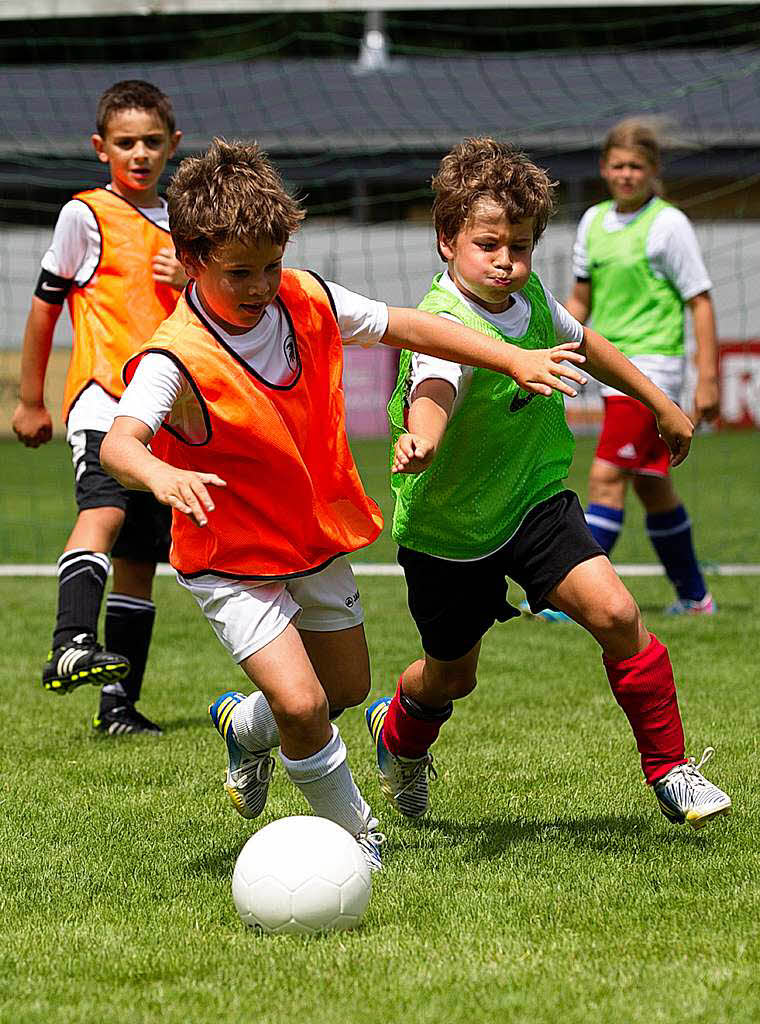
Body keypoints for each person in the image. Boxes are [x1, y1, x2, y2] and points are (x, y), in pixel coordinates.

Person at [99, 137, 586, 870]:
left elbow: (409, 324)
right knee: (302, 704)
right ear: (192, 259)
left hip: (310, 536)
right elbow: (121, 443)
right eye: (240, 273)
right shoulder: (176, 354)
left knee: (344, 690)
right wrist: (160, 477)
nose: (262, 284)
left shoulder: (306, 295)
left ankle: (244, 727)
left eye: (271, 264)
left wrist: (510, 355)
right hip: (230, 557)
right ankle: (359, 840)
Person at [366, 137, 731, 831]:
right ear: (448, 240)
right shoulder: (441, 323)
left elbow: (585, 343)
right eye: (489, 244)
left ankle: (671, 769)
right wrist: (425, 439)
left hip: (533, 502)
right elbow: (434, 390)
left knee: (618, 614)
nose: (508, 261)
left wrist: (659, 402)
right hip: (451, 530)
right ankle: (399, 740)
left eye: (523, 246)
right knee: (451, 678)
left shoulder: (527, 294)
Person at [11, 80, 185, 735]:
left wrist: (190, 277)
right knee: (104, 512)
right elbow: (43, 307)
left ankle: (118, 707)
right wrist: (32, 399)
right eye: (124, 142)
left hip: (160, 418)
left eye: (150, 141)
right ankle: (70, 641)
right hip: (103, 404)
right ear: (100, 147)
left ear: (173, 145)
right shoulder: (85, 214)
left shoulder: (184, 225)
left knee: (141, 563)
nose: (138, 153)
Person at [565, 117, 718, 616]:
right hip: (609, 364)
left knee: (606, 478)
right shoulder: (591, 222)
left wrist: (708, 377)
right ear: (604, 169)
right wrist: (553, 347)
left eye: (636, 166)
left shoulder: (669, 224)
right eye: (617, 165)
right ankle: (695, 597)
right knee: (654, 487)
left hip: (653, 368)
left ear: (652, 171)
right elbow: (580, 300)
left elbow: (700, 300)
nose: (626, 174)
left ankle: (574, 599)